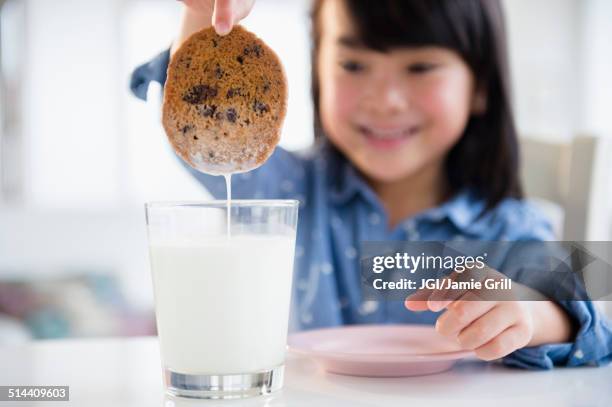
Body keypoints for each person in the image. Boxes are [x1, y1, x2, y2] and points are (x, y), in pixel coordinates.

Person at [130, 0, 612, 369]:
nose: (384, 101)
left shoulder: (508, 227)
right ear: (318, 72)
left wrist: (531, 315)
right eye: (353, 65)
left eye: (420, 67)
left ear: (480, 86)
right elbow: (201, 123)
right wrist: (203, 14)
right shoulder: (288, 192)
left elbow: (594, 316)